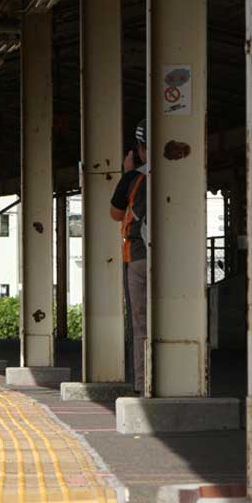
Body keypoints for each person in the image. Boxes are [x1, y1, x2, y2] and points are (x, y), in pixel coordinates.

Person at [110, 120, 148, 393]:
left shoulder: (134, 179)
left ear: (139, 149)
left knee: (141, 322)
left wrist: (128, 173)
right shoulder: (185, 171)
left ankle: (143, 381)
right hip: (180, 260)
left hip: (139, 256)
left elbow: (115, 214)